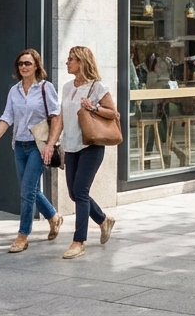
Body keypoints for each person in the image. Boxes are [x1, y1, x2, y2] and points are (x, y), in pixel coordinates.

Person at [0, 49, 63, 253]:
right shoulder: (14, 90)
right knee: (31, 190)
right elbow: (7, 117)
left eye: (28, 63)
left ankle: (23, 235)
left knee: (27, 191)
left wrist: (50, 144)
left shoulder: (46, 88)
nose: (24, 67)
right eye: (20, 64)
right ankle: (54, 217)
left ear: (36, 65)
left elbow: (56, 117)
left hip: (38, 145)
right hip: (19, 145)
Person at [58, 46, 118, 259]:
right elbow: (62, 118)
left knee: (80, 192)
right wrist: (55, 143)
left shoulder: (98, 87)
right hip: (71, 145)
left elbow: (113, 113)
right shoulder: (66, 87)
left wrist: (93, 108)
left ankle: (78, 241)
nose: (67, 63)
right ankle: (103, 220)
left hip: (91, 146)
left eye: (70, 59)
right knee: (75, 194)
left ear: (82, 62)